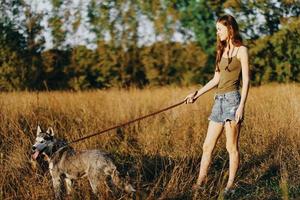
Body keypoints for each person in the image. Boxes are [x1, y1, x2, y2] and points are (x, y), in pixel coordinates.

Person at [184, 14, 250, 194]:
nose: (217, 32)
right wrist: (196, 94)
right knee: (207, 146)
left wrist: (241, 106)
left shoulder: (241, 50)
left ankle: (230, 187)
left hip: (232, 101)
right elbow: (216, 79)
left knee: (231, 147)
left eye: (219, 29)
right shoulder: (221, 51)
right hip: (218, 101)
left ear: (230, 29)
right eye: (216, 30)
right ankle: (199, 183)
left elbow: (246, 80)